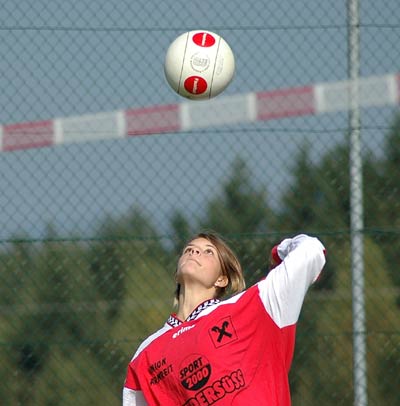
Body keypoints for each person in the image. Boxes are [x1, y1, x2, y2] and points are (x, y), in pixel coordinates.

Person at [122, 231, 326, 405]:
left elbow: (311, 250)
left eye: (208, 252)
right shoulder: (146, 353)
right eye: (188, 249)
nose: (194, 252)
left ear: (222, 279)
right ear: (177, 274)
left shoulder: (254, 306)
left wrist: (278, 253)